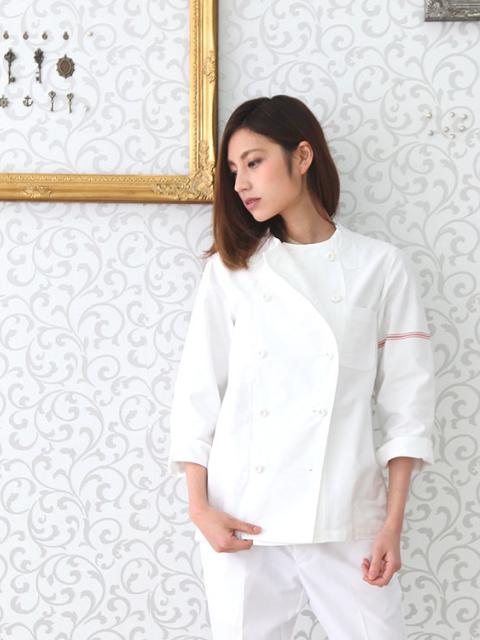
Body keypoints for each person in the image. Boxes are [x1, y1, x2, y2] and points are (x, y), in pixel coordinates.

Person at [166, 95, 436, 639]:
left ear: (303, 156)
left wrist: (392, 524)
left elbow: (408, 408)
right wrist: (200, 508)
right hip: (241, 519)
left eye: (254, 162)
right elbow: (197, 394)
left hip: (346, 513)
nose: (241, 183)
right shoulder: (232, 272)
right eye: (233, 170)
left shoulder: (380, 267)